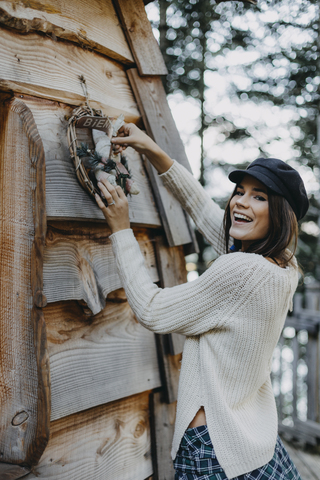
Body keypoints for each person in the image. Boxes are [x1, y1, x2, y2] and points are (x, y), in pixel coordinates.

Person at [95, 123, 308, 480]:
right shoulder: (284, 265)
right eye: (240, 191)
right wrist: (153, 151)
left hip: (214, 446)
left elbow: (152, 309)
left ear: (280, 214)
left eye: (259, 196)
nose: (240, 201)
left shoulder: (241, 270)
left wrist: (120, 228)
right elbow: (207, 213)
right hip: (255, 439)